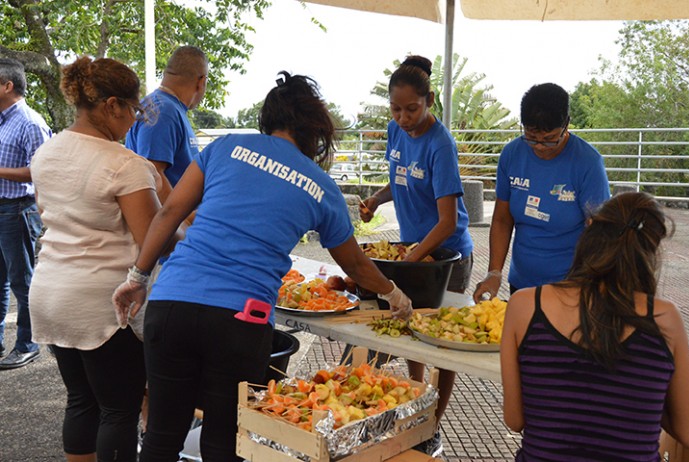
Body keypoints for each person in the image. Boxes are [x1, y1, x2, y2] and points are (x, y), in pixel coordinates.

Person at [112, 71, 412, 462]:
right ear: (315, 130)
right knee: (223, 442)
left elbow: (168, 212)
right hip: (241, 321)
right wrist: (393, 293)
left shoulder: (225, 148)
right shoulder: (321, 186)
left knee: (161, 437)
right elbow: (354, 262)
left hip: (171, 303)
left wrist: (137, 277)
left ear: (268, 119)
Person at [28, 56, 162, 462]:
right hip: (104, 299)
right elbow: (153, 239)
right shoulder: (124, 164)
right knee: (118, 409)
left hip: (51, 290)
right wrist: (185, 229)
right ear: (112, 106)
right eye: (134, 110)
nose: (133, 121)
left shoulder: (46, 152)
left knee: (81, 400)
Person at [501, 191, 689, 460]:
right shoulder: (664, 319)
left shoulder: (525, 305)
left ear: (590, 230)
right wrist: (644, 399)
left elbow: (514, 419)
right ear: (650, 249)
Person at [359, 55, 474, 457]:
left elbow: (446, 223)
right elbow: (401, 176)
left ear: (429, 103)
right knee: (410, 331)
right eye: (396, 109)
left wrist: (411, 259)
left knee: (442, 342)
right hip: (413, 249)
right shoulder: (395, 131)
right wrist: (376, 197)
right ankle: (415, 405)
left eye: (412, 109)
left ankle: (433, 423)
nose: (404, 118)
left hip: (445, 256)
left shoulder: (441, 145)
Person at [473, 82, 610, 303]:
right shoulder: (511, 155)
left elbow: (599, 231)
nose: (539, 147)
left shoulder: (588, 163)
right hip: (522, 283)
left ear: (566, 125)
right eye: (531, 137)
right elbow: (501, 219)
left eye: (549, 139)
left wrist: (588, 283)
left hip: (570, 286)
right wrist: (494, 272)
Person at [0, 58, 51, 370]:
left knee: (22, 281)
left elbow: (42, 172)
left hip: (17, 210)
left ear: (8, 86)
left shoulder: (30, 122)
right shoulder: (3, 121)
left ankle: (28, 344)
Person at [126, 45, 207, 208]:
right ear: (201, 82)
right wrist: (188, 221)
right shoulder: (163, 111)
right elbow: (153, 175)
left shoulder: (166, 107)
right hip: (174, 227)